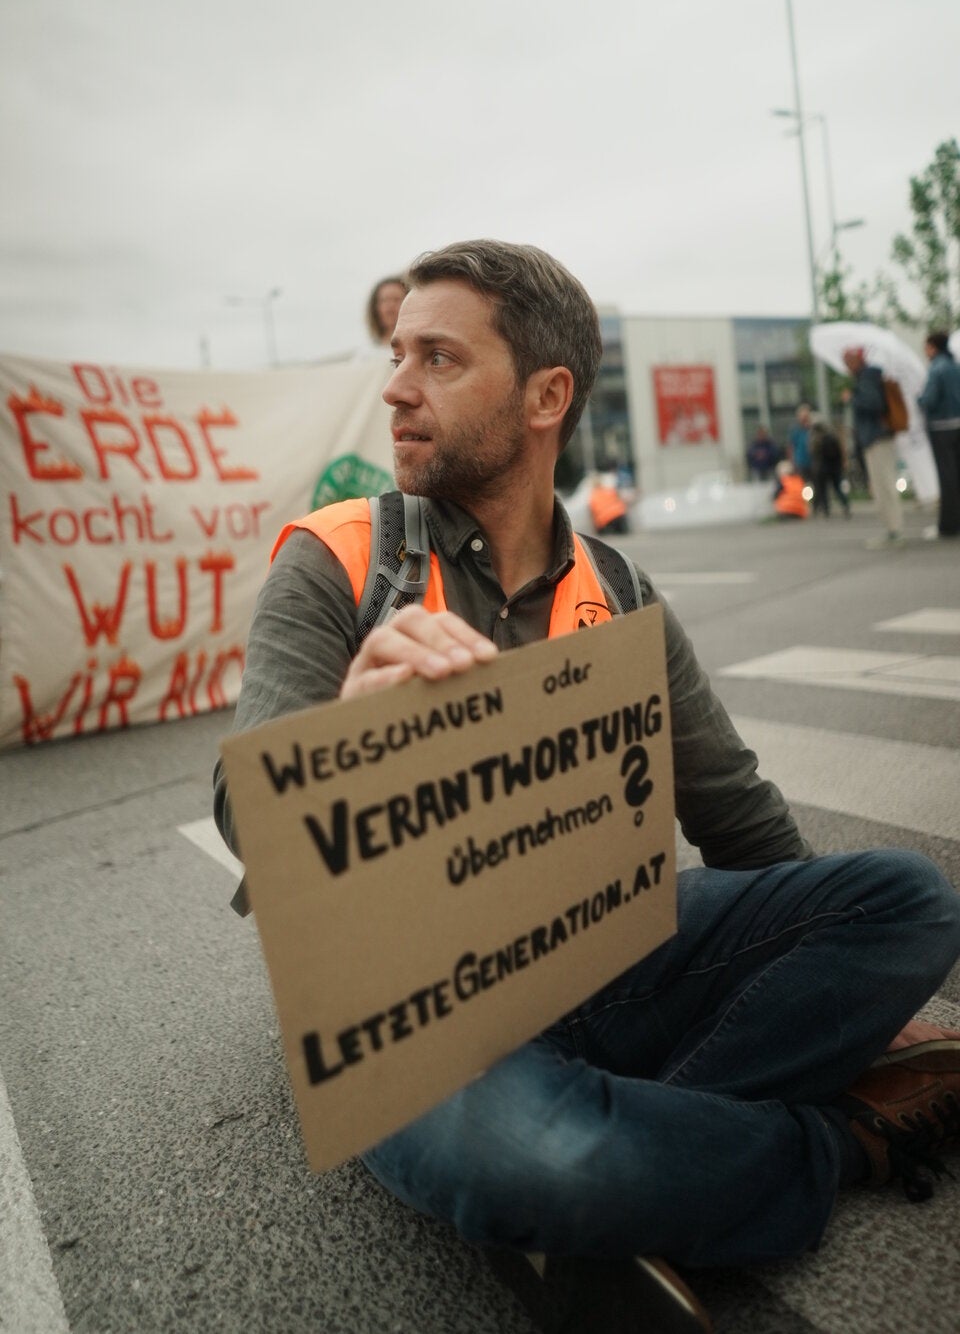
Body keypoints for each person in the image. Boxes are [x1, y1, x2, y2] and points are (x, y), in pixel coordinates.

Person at [213, 241, 960, 1333]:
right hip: (404, 1001)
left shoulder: (617, 585)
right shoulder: (338, 560)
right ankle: (837, 1139)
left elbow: (733, 809)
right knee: (538, 1151)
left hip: (602, 953)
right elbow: (247, 813)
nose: (395, 386)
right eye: (395, 353)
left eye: (437, 356)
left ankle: (636, 1178)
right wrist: (341, 738)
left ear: (544, 397)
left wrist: (841, 969)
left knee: (912, 902)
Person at [843, 346, 906, 548]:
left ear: (857, 359)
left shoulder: (867, 377)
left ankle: (895, 530)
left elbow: (874, 404)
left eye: (848, 360)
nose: (846, 365)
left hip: (877, 437)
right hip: (875, 437)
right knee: (881, 486)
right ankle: (892, 529)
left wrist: (852, 398)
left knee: (884, 485)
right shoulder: (866, 377)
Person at [918, 331, 960, 539]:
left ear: (933, 347)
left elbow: (929, 399)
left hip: (941, 427)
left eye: (926, 347)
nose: (925, 351)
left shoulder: (936, 368)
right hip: (957, 424)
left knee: (947, 478)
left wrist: (920, 399)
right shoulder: (954, 366)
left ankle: (948, 525)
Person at [354, 274, 410, 356]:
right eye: (384, 300)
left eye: (396, 299)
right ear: (375, 308)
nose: (390, 307)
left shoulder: (419, 349)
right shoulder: (365, 353)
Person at [809, 415, 850, 519]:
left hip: (822, 468)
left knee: (823, 490)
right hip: (835, 467)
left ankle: (826, 510)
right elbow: (840, 451)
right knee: (838, 488)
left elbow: (813, 452)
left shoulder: (816, 438)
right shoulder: (833, 437)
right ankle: (845, 505)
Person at [786, 404, 813, 480]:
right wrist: (792, 462)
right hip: (800, 463)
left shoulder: (813, 429)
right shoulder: (795, 430)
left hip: (813, 462)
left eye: (806, 416)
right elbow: (791, 447)